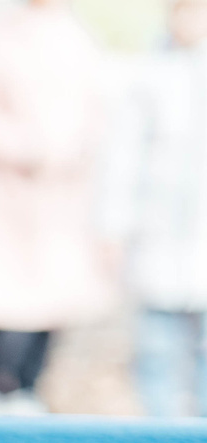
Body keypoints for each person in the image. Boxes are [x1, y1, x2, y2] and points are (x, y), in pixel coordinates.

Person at [0, 0, 112, 413]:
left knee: (51, 301)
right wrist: (26, 149)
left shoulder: (76, 37)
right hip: (6, 196)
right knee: (7, 303)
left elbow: (95, 111)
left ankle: (28, 386)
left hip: (59, 198)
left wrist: (70, 151)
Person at [107, 0, 207, 415]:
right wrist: (113, 226)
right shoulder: (150, 74)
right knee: (156, 347)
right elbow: (121, 158)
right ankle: (160, 431)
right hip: (158, 235)